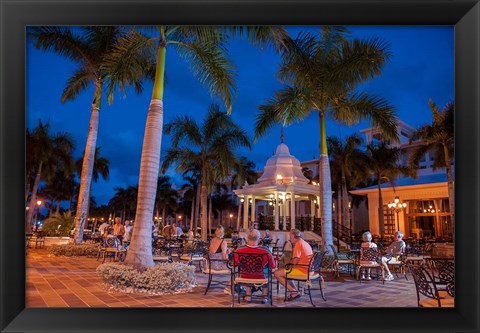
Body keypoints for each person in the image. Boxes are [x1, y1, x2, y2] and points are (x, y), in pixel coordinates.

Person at [233, 228, 276, 304]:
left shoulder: (239, 250)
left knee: (247, 270)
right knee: (266, 271)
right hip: (261, 277)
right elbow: (272, 265)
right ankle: (264, 297)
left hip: (245, 276)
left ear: (246, 238)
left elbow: (234, 264)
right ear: (259, 239)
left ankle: (248, 296)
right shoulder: (266, 251)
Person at [274, 229, 313, 302]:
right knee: (286, 273)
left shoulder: (298, 244)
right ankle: (295, 291)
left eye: (290, 236)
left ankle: (294, 292)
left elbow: (295, 261)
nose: (289, 239)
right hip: (309, 270)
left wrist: (286, 264)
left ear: (293, 237)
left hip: (303, 270)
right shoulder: (304, 243)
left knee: (277, 273)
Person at [208, 226, 231, 295]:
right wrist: (228, 255)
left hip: (210, 265)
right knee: (236, 269)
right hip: (218, 266)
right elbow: (224, 258)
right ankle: (228, 288)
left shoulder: (212, 240)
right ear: (223, 233)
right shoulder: (223, 242)